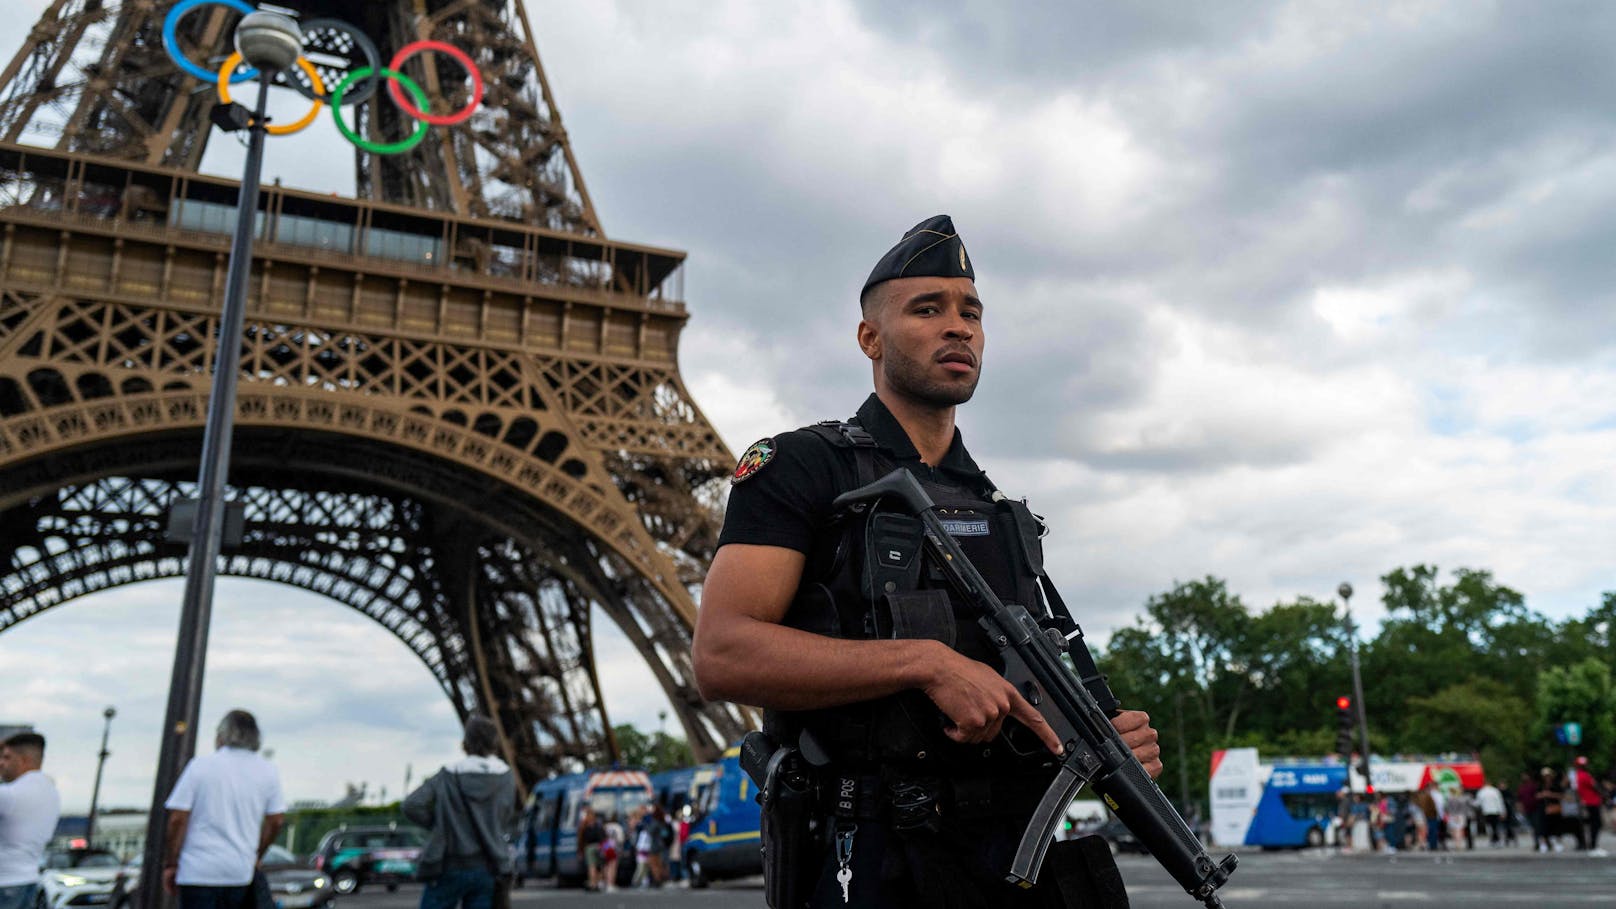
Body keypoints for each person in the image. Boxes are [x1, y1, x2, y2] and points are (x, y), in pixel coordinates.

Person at [692, 215, 1162, 908]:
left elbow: (1020, 690)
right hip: (875, 861)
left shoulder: (1000, 509)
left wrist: (1101, 734)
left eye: (971, 311)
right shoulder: (801, 467)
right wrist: (927, 663)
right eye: (928, 308)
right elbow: (721, 654)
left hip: (1009, 860)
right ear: (869, 338)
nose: (959, 327)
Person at [160, 710, 285, 909]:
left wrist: (171, 863)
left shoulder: (199, 767)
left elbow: (177, 819)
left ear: (222, 735)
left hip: (197, 871)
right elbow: (276, 820)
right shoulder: (267, 771)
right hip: (239, 872)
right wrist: (257, 855)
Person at [402, 715, 519, 909]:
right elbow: (504, 817)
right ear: (494, 741)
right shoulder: (506, 776)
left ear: (466, 742)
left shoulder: (449, 774)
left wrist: (441, 824)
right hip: (487, 867)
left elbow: (411, 805)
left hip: (448, 865)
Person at [0, 732, 61, 909]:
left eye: (6, 757)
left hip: (5, 884)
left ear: (24, 760)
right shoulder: (51, 792)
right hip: (28, 881)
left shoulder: (11, 795)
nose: (1, 763)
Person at [1571, 756, 1604, 853]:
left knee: (1587, 823)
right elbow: (1595, 786)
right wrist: (1603, 794)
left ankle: (1585, 843)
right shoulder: (1584, 775)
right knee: (1596, 824)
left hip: (1586, 802)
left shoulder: (1577, 775)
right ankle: (1592, 844)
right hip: (1591, 802)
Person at [575, 806, 605, 892]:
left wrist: (580, 850)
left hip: (589, 847)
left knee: (591, 866)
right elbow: (603, 836)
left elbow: (580, 839)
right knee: (599, 866)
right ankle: (598, 883)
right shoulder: (598, 824)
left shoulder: (584, 825)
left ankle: (592, 883)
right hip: (599, 847)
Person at [1475, 779, 1505, 846]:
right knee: (1495, 826)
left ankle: (1493, 839)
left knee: (1490, 826)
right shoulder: (1495, 791)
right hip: (1495, 811)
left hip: (1486, 811)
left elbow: (1478, 803)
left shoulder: (1481, 791)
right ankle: (1496, 839)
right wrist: (1502, 811)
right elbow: (1500, 802)